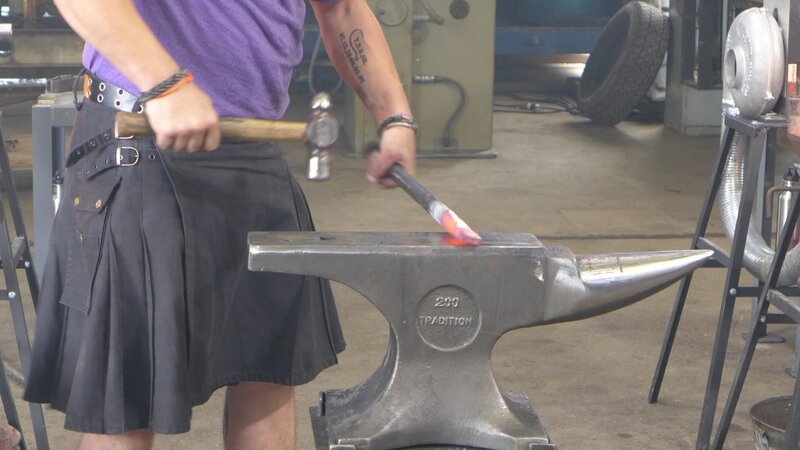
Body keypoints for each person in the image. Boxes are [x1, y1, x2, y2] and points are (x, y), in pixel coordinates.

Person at [23, 0, 416, 448]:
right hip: (139, 139)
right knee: (126, 400)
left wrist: (394, 115)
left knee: (268, 372)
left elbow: (341, 8)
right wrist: (165, 84)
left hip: (253, 149)